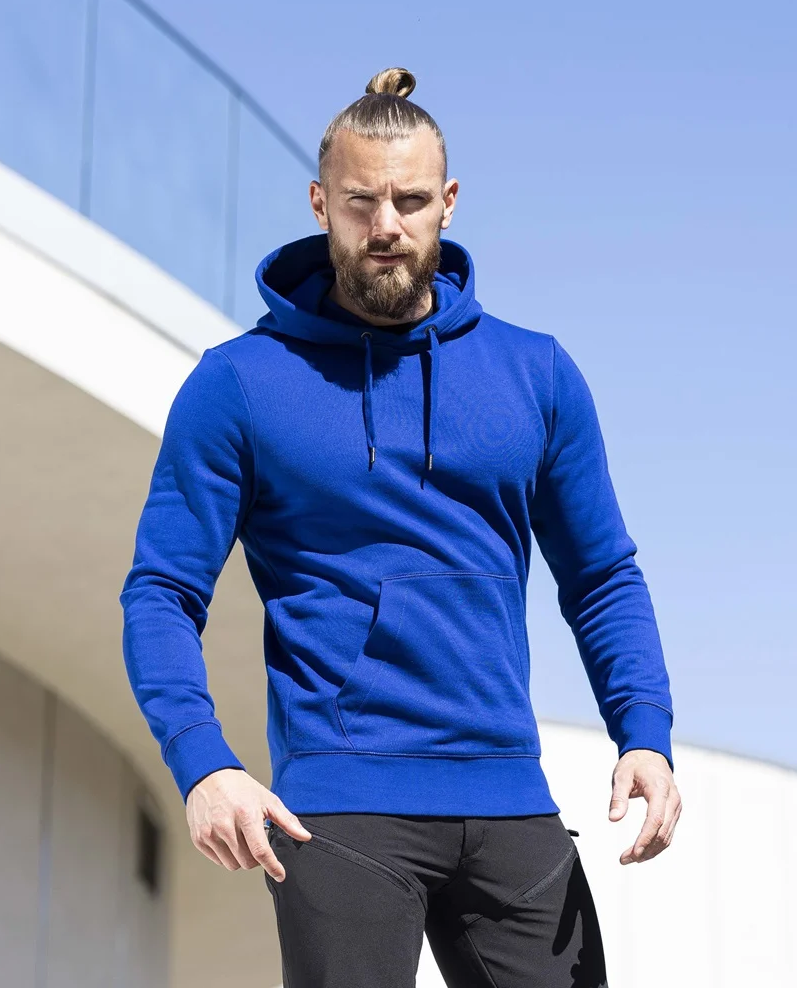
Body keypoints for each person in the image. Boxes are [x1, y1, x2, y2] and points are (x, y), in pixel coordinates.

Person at [120, 66, 682, 987]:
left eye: (411, 201)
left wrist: (645, 731)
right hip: (341, 807)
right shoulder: (239, 385)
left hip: (511, 797)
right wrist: (202, 762)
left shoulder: (537, 374)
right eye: (361, 202)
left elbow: (602, 577)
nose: (386, 225)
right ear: (320, 204)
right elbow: (161, 592)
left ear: (448, 203)